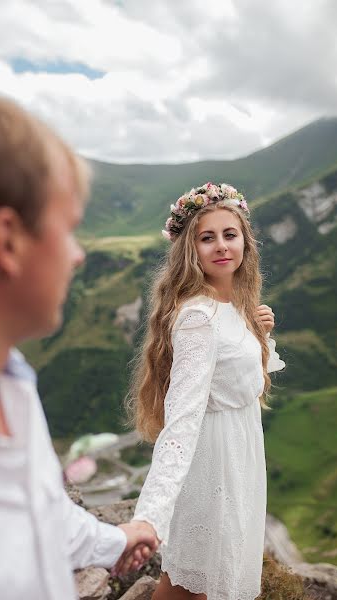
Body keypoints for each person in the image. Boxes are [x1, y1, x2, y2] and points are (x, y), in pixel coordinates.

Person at [0, 91, 158, 599]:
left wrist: (113, 540)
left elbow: (36, 512)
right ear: (9, 241)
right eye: (68, 229)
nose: (79, 255)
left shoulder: (11, 385)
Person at [127, 182, 286, 600]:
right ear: (190, 249)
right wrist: (150, 516)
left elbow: (243, 382)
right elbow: (181, 421)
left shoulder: (233, 307)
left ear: (245, 242)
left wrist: (259, 333)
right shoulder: (198, 318)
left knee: (217, 580)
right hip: (212, 464)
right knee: (190, 588)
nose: (221, 246)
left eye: (229, 234)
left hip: (240, 456)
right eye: (207, 237)